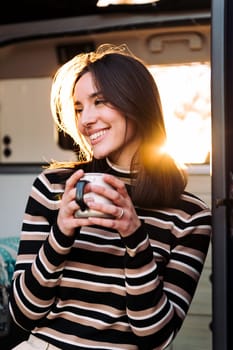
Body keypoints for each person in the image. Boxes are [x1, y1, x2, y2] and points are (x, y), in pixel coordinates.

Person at [9, 44, 211, 350]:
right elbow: (22, 314)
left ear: (137, 103)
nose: (85, 120)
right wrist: (60, 234)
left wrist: (134, 236)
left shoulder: (190, 216)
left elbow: (156, 337)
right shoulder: (53, 186)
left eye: (99, 101)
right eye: (78, 108)